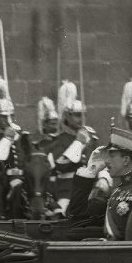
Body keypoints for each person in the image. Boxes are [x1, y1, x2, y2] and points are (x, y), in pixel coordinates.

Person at [68, 126, 132, 240]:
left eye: (112, 155)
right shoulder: (117, 191)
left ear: (125, 160)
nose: (106, 160)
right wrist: (91, 171)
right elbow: (77, 213)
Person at [39, 80, 98, 213]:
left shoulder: (92, 137)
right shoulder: (58, 140)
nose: (81, 119)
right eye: (77, 115)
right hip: (67, 193)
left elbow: (101, 160)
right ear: (67, 115)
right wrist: (78, 143)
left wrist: (104, 180)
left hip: (91, 190)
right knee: (63, 214)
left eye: (82, 115)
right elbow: (61, 165)